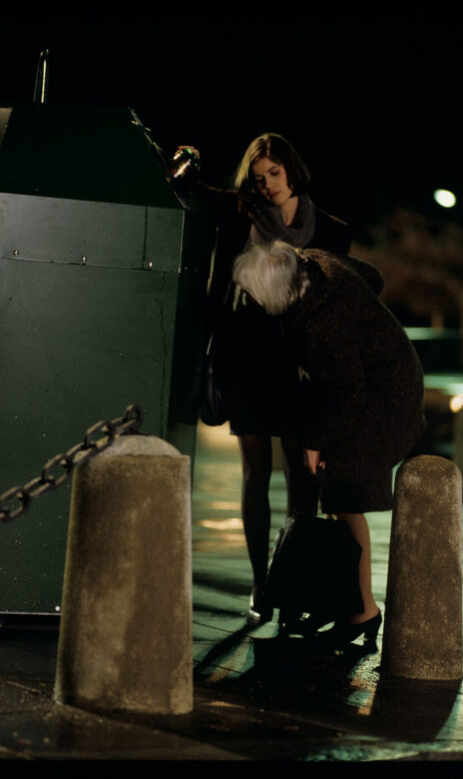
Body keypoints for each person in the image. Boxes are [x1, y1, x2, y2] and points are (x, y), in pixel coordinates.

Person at [173, 134, 351, 625]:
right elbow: (190, 190)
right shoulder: (238, 215)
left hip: (299, 364)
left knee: (302, 475)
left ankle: (293, 581)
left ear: (291, 170)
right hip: (244, 357)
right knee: (255, 472)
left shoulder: (332, 232)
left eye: (274, 173)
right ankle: (260, 584)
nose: (268, 185)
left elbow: (337, 307)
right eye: (258, 178)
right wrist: (181, 160)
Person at [231, 241, 426, 646]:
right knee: (338, 500)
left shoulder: (322, 322)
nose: (248, 299)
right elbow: (372, 275)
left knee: (344, 499)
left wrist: (318, 442)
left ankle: (364, 613)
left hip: (382, 404)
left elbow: (347, 391)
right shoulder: (316, 263)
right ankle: (345, 606)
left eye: (252, 292)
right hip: (385, 386)